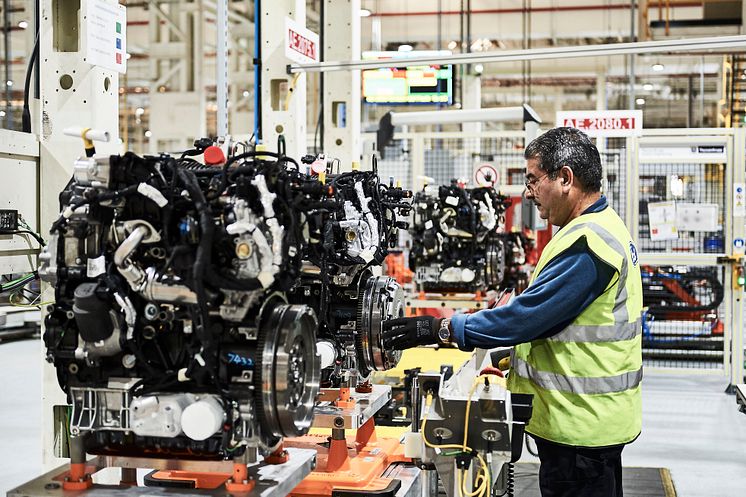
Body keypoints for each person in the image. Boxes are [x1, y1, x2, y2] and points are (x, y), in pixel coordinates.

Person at [382, 127, 643, 497]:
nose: (528, 192)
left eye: (534, 180)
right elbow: (565, 325)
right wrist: (513, 356)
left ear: (565, 178)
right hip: (590, 424)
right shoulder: (600, 227)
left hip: (581, 429)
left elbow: (525, 317)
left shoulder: (587, 244)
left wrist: (438, 329)